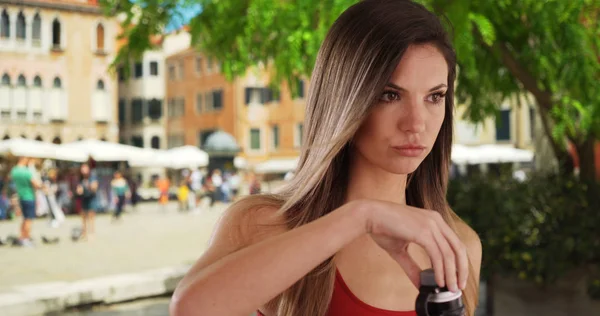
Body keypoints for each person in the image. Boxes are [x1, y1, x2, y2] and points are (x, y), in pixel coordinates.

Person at [170, 1, 482, 316]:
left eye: (435, 96)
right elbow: (189, 309)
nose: (416, 123)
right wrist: (362, 217)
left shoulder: (459, 246)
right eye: (389, 95)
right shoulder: (266, 224)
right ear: (346, 100)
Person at [10, 157, 42, 247]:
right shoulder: (26, 171)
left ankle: (21, 236)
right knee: (29, 219)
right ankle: (26, 238)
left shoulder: (14, 170)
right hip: (29, 196)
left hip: (21, 196)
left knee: (24, 218)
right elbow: (35, 184)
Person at [75, 163, 98, 240]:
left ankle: (92, 233)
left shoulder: (92, 177)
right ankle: (84, 233)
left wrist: (90, 187)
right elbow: (79, 190)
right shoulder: (80, 179)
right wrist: (79, 191)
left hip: (91, 198)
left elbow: (95, 187)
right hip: (84, 198)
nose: (84, 170)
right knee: (83, 216)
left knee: (91, 216)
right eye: (82, 169)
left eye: (85, 168)